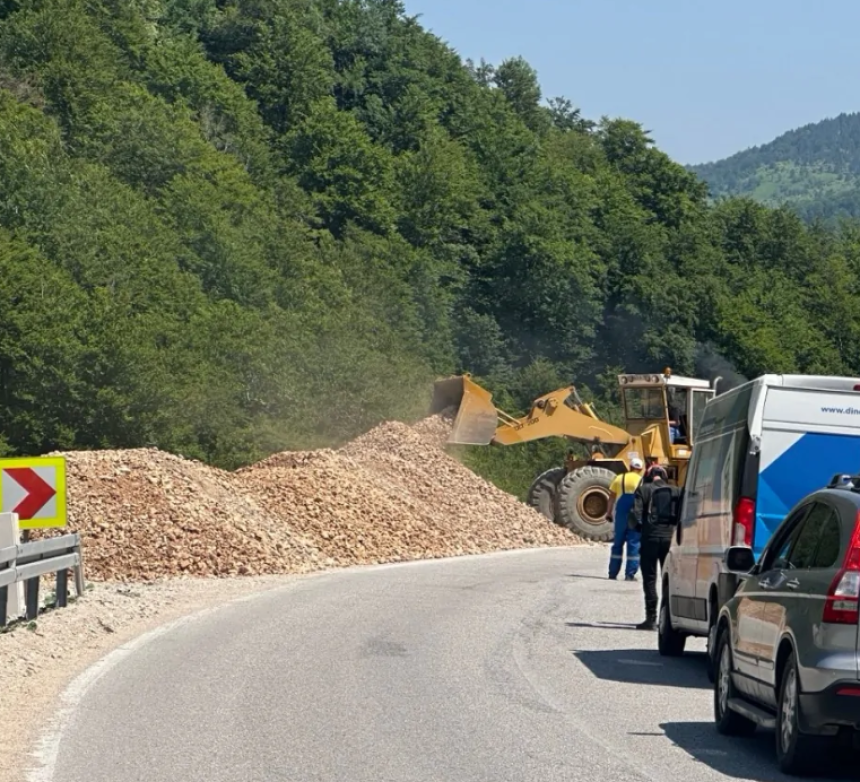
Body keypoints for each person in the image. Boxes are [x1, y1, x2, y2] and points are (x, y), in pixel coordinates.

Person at [628, 463, 681, 630]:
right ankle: (668, 620)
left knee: (650, 579)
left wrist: (641, 529)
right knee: (669, 580)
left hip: (650, 539)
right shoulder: (676, 491)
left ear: (648, 476)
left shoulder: (643, 490)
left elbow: (634, 514)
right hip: (670, 540)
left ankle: (651, 619)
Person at [606, 458, 643, 581]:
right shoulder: (642, 480)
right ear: (640, 469)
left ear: (630, 467)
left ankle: (612, 573)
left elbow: (611, 497)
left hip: (621, 515)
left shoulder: (619, 478)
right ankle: (629, 574)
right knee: (634, 543)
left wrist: (609, 513)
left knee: (617, 544)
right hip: (635, 516)